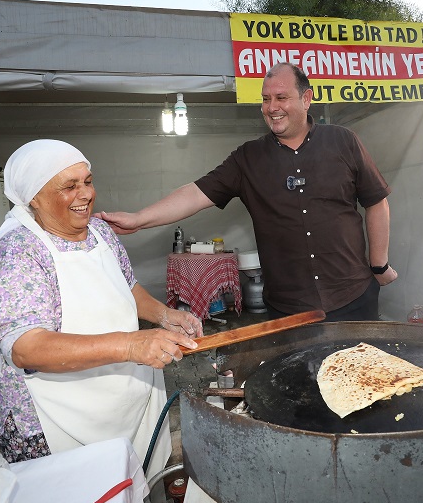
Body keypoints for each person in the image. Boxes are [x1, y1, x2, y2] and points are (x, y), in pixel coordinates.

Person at [100, 62, 398, 321]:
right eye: (266, 99)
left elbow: (376, 202)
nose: (272, 107)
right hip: (289, 310)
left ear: (307, 99)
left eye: (282, 97)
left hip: (353, 298)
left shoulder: (343, 141)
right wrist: (139, 219)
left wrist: (379, 263)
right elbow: (194, 193)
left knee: (363, 384)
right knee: (295, 386)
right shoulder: (248, 158)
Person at [0, 139, 202, 477]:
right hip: (52, 414)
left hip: (117, 401)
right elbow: (26, 348)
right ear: (33, 197)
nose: (85, 194)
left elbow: (127, 287)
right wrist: (131, 344)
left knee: (128, 493)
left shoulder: (99, 232)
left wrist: (164, 315)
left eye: (87, 181)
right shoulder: (19, 252)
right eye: (69, 186)